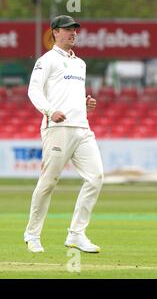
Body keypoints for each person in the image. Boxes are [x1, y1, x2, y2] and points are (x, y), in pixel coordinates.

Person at [24, 15, 103, 253]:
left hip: (82, 128)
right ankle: (32, 234)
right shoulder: (46, 60)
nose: (73, 34)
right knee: (49, 182)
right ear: (55, 33)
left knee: (95, 177)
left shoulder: (80, 63)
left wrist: (84, 104)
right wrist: (50, 110)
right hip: (57, 129)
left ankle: (76, 234)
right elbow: (33, 90)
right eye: (68, 30)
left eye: (75, 30)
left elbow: (69, 93)